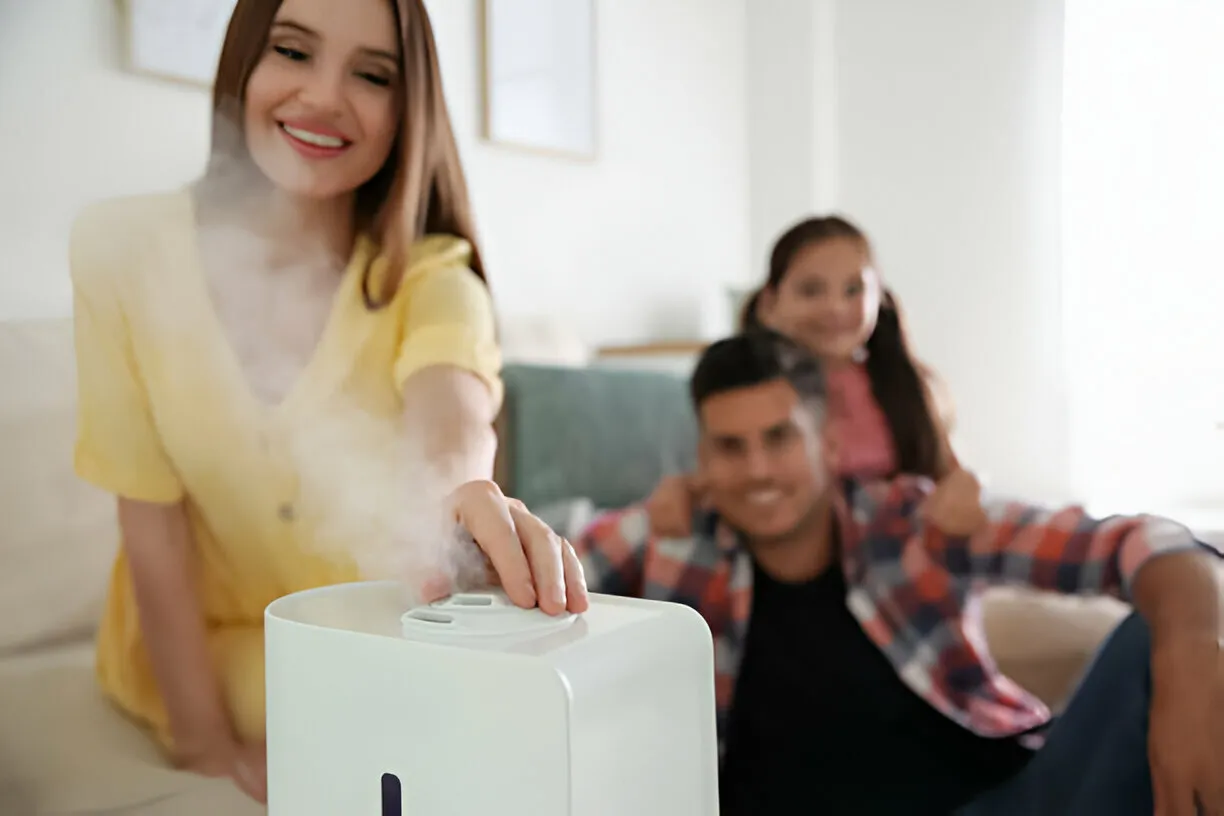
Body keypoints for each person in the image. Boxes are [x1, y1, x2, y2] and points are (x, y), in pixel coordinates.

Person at [70, 0, 585, 804]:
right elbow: (152, 524)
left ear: (406, 108)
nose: (324, 96)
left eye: (372, 74)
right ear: (244, 60)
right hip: (194, 662)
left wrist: (456, 495)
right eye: (292, 51)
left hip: (369, 639)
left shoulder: (432, 275)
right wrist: (208, 747)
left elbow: (451, 419)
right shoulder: (121, 251)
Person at [577, 329, 1224, 815]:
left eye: (780, 438)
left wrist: (1192, 648)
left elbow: (1146, 542)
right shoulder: (669, 541)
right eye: (730, 447)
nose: (757, 471)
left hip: (1004, 804)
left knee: (1156, 638)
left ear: (828, 445)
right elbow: (534, 573)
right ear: (702, 459)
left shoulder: (916, 523)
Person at [645, 215, 988, 539]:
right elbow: (714, 482)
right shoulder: (731, 398)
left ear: (879, 297)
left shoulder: (914, 389)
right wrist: (680, 492)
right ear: (770, 302)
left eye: (853, 290)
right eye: (811, 290)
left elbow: (956, 477)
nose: (836, 308)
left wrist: (970, 489)